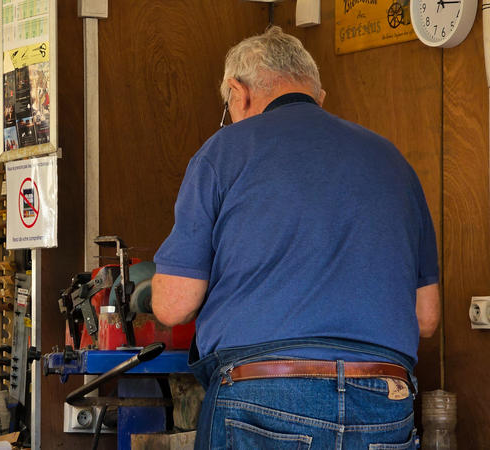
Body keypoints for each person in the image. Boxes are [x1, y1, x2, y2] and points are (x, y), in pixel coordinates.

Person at [151, 26, 439, 450]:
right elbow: (426, 317)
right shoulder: (392, 160)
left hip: (263, 397)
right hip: (383, 401)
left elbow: (173, 305)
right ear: (317, 96)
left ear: (238, 93)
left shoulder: (223, 150)